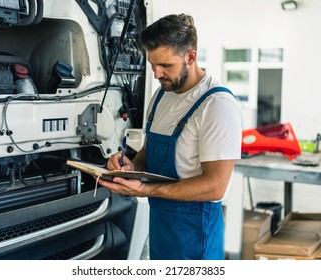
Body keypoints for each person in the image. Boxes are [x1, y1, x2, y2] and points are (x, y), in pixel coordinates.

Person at [98, 13, 243, 260]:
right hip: (162, 227)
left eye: (166, 66)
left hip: (196, 236)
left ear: (191, 57)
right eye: (153, 65)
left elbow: (215, 186)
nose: (156, 74)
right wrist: (131, 166)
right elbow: (148, 150)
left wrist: (146, 190)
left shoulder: (217, 105)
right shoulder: (161, 96)